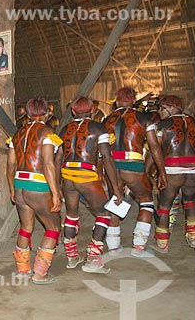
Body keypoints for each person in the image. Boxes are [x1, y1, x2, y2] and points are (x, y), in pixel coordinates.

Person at [55, 96, 123, 273]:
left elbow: (57, 159)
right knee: (104, 214)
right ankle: (93, 259)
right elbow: (107, 157)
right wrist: (116, 189)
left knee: (71, 214)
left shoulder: (65, 129)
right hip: (86, 174)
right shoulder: (98, 128)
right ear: (92, 110)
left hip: (67, 174)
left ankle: (71, 256)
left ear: (73, 111)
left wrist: (56, 185)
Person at [103, 87, 167, 257]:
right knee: (146, 200)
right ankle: (139, 245)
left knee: (115, 200)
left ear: (116, 101)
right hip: (133, 164)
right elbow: (154, 146)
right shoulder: (144, 118)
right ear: (133, 100)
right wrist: (162, 172)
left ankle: (114, 245)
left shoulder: (107, 119)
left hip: (111, 165)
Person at [6, 97, 62, 284]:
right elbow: (47, 164)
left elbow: (11, 165)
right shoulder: (47, 133)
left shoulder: (17, 134)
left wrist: (13, 189)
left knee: (26, 227)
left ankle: (23, 270)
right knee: (53, 227)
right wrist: (55, 192)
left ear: (28, 114)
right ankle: (40, 273)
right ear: (46, 113)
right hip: (38, 185)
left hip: (20, 184)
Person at [153, 95, 195, 252]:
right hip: (194, 168)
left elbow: (155, 149)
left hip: (172, 168)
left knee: (165, 204)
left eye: (162, 108)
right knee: (191, 202)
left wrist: (149, 169)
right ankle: (194, 237)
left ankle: (162, 242)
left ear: (171, 108)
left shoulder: (162, 125)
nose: (159, 111)